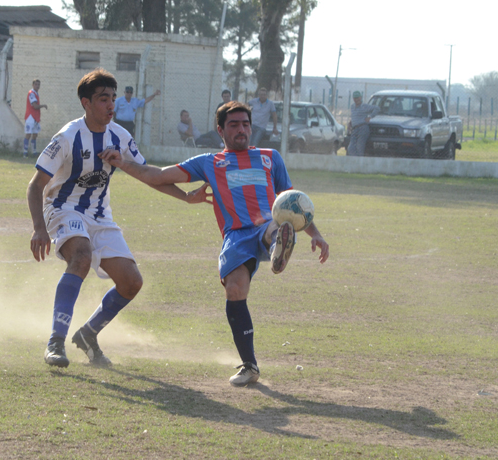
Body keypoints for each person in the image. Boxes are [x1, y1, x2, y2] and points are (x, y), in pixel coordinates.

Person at [100, 102, 329, 386]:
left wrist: (314, 233)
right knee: (234, 290)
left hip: (267, 224)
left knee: (275, 224)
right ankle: (250, 366)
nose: (242, 129)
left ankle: (277, 246)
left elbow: (293, 204)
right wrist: (122, 162)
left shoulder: (271, 158)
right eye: (234, 125)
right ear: (221, 130)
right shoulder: (209, 163)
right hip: (236, 236)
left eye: (245, 124)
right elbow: (157, 176)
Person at [27, 68, 206, 368]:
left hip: (100, 215)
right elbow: (36, 186)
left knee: (131, 282)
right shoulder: (68, 136)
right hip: (62, 208)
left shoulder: (120, 136)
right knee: (81, 256)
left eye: (112, 98)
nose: (110, 105)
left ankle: (87, 334)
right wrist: (38, 229)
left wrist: (186, 197)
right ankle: (56, 342)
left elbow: (150, 175)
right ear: (86, 103)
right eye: (102, 99)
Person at [347, 91, 380, 156]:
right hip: (354, 129)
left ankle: (359, 163)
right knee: (351, 148)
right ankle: (354, 161)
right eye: (355, 98)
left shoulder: (365, 106)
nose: (357, 100)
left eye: (358, 98)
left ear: (360, 98)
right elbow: (354, 116)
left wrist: (370, 117)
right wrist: (350, 123)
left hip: (362, 128)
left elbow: (377, 108)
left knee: (359, 147)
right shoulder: (352, 106)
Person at [23, 79, 48, 157]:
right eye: (36, 84)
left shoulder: (36, 93)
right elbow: (35, 106)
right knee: (28, 134)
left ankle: (34, 152)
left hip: (36, 117)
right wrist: (43, 106)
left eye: (38, 84)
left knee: (35, 135)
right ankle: (25, 153)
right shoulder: (31, 93)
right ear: (33, 85)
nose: (37, 86)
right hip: (30, 117)